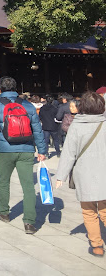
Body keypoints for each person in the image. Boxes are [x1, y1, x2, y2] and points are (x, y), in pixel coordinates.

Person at [0, 76, 47, 234]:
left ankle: (4, 212)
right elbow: (37, 129)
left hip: (5, 148)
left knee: (3, 181)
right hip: (26, 148)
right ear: (16, 88)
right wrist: (41, 150)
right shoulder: (27, 105)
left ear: (0, 89)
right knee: (28, 186)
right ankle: (29, 222)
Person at [54, 91, 106, 257]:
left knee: (89, 210)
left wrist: (60, 175)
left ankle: (97, 245)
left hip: (84, 173)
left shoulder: (77, 125)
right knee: (105, 209)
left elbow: (69, 153)